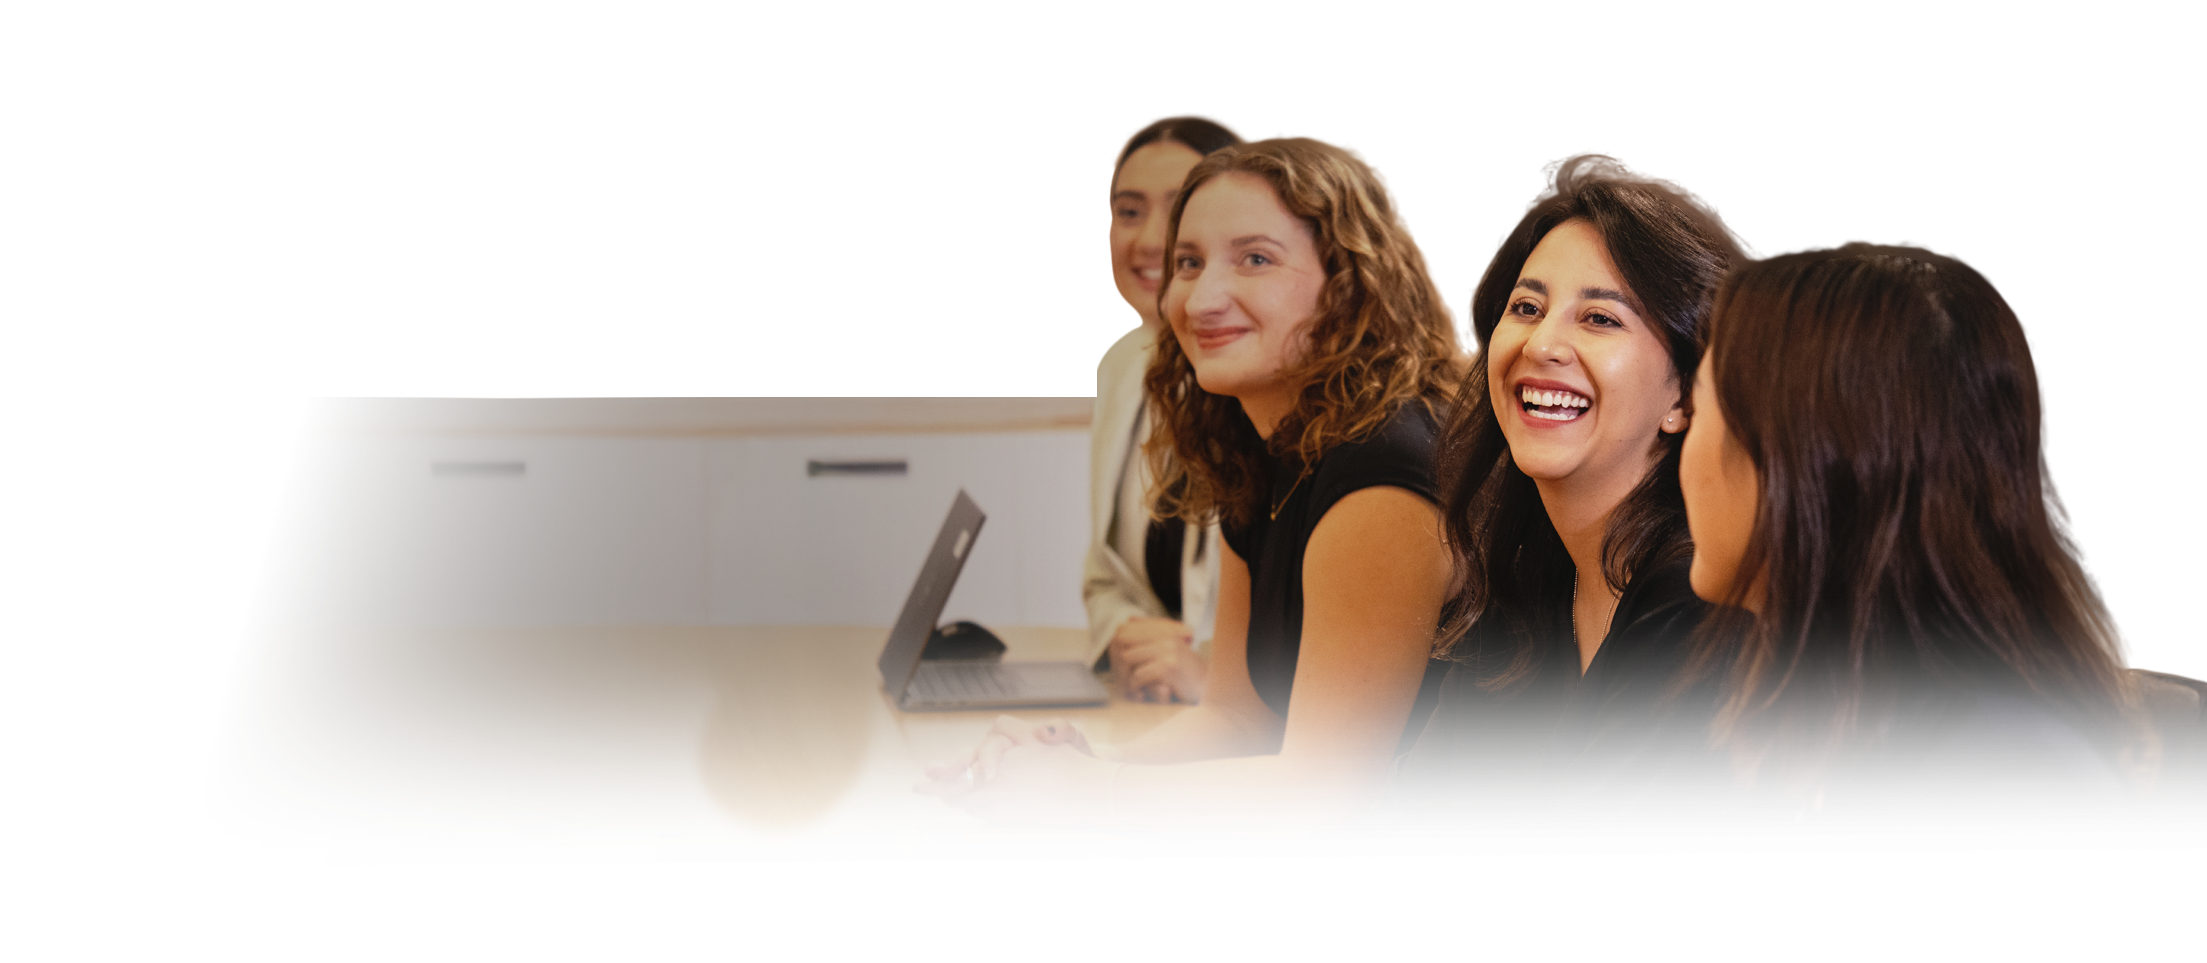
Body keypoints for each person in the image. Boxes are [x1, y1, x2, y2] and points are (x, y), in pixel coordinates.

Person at [912, 135, 1461, 849]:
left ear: (1348, 281)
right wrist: (1079, 760)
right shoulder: (1263, 449)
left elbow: (1322, 800)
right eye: (1188, 263)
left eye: (1255, 259)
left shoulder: (1384, 470)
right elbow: (1237, 721)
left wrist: (1081, 791)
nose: (1199, 297)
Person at [1265, 153, 1757, 870]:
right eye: (1524, 308)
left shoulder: (1695, 598)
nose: (1541, 344)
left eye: (1598, 317)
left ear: (1685, 393)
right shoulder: (1529, 578)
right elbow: (1396, 844)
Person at [1680, 240, 2157, 869]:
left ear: (1798, 467)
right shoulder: (1820, 728)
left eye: (1698, 410)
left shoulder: (2015, 795)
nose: (1681, 458)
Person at [1086, 114, 1241, 704]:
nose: (1150, 239)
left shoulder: (1273, 386)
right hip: (1155, 708)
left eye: (1179, 210)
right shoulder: (1122, 365)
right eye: (1128, 211)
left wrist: (1210, 680)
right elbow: (1104, 573)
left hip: (1250, 731)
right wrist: (1129, 637)